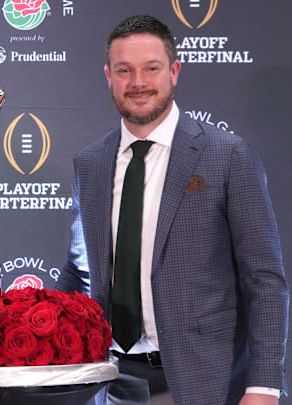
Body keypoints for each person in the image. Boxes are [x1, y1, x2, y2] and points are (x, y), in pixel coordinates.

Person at [57, 15, 288, 405]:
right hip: (112, 379)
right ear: (108, 76)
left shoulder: (228, 155)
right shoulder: (90, 162)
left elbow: (264, 279)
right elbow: (81, 266)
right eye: (124, 70)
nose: (138, 83)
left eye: (152, 68)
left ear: (174, 71)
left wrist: (263, 385)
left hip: (205, 380)